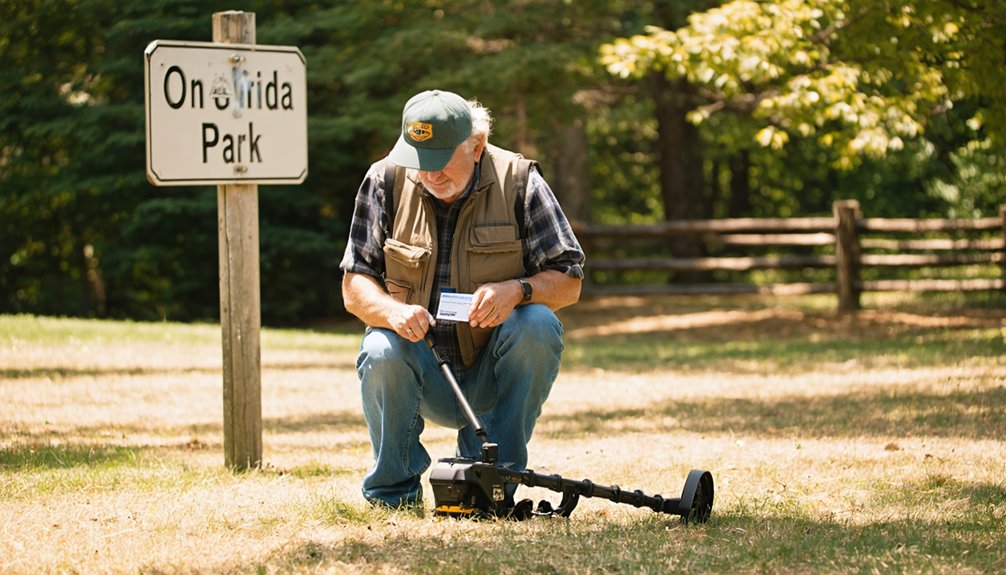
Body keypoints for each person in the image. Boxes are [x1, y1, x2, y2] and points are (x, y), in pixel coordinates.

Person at [340, 89, 585, 509]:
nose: (429, 174)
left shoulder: (520, 180)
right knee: (380, 346)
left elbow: (569, 280)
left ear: (477, 145)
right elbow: (354, 283)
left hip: (490, 367)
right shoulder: (385, 179)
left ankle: (488, 486)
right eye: (419, 159)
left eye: (440, 160)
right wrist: (393, 312)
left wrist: (517, 290)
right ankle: (392, 494)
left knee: (538, 325)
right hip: (422, 365)